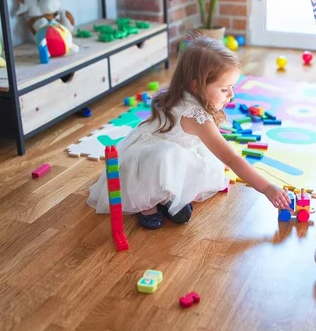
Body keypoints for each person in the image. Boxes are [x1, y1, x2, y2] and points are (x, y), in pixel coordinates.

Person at [87, 36, 291, 229]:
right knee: (167, 159)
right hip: (150, 163)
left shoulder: (179, 91)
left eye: (232, 87)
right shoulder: (195, 115)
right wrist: (266, 188)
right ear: (197, 85)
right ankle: (148, 205)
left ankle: (168, 198)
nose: (232, 95)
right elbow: (231, 158)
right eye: (224, 89)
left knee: (188, 160)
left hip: (170, 153)